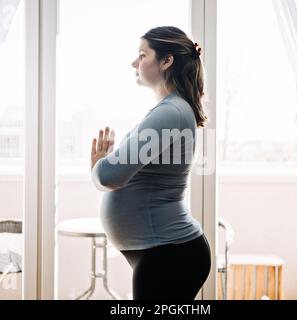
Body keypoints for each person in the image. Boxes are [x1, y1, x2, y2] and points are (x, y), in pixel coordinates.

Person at [90, 26, 211, 300]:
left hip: (168, 254)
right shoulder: (170, 110)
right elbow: (113, 174)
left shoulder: (171, 112)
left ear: (166, 61)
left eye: (142, 55)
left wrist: (98, 165)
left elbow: (109, 176)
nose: (134, 63)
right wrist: (102, 168)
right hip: (163, 252)